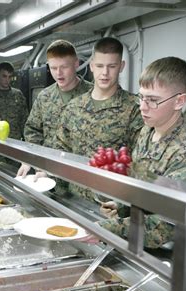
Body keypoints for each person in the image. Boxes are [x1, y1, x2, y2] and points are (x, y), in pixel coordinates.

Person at [95, 57, 186, 253]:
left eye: (153, 100)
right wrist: (121, 205)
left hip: (183, 255)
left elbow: (165, 226)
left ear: (179, 101)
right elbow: (144, 180)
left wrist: (104, 228)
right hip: (148, 244)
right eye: (141, 97)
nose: (142, 107)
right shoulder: (149, 130)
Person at [54, 37, 143, 197]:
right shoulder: (74, 107)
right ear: (92, 66)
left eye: (112, 66)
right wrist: (48, 178)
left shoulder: (134, 108)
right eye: (100, 66)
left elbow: (139, 162)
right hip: (74, 199)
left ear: (121, 66)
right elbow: (61, 150)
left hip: (111, 204)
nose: (105, 73)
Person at [17, 39, 93, 180]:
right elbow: (32, 130)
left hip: (81, 179)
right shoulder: (44, 96)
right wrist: (36, 162)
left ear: (76, 64)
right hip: (47, 176)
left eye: (64, 67)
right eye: (53, 68)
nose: (58, 73)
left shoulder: (93, 95)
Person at [0, 62, 28, 166]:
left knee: (16, 175)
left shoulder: (18, 95)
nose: (7, 80)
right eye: (4, 76)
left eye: (10, 77)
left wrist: (27, 143)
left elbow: (24, 120)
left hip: (15, 144)